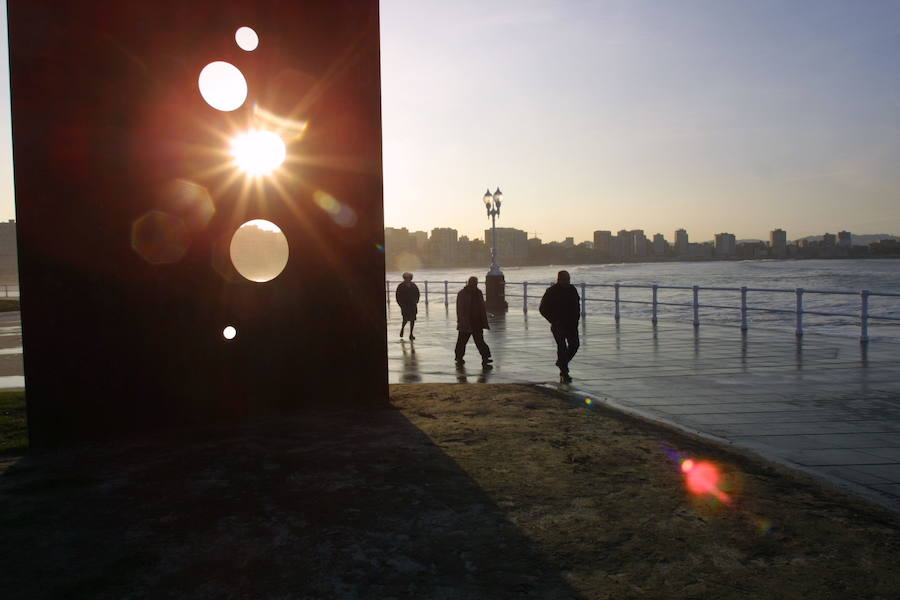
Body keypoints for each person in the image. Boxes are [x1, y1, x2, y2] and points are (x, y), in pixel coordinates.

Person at [539, 270, 581, 383]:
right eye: (565, 280)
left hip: (571, 324)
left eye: (568, 280)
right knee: (561, 347)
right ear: (559, 280)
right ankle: (564, 372)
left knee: (575, 345)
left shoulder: (572, 289)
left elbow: (577, 305)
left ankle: (562, 363)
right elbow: (542, 309)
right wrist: (554, 320)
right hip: (558, 324)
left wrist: (576, 319)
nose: (567, 282)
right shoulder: (551, 291)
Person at [455, 276, 493, 369]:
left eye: (476, 283)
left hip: (477, 322)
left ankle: (485, 357)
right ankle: (459, 357)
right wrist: (461, 320)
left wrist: (484, 320)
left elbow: (482, 307)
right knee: (462, 341)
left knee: (479, 341)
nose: (475, 285)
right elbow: (460, 309)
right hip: (466, 321)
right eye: (474, 283)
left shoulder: (478, 293)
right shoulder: (462, 294)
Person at [395, 272, 420, 340]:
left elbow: (417, 293)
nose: (408, 279)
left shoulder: (413, 285)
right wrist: (400, 304)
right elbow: (398, 296)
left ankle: (411, 334)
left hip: (412, 305)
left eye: (409, 277)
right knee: (405, 319)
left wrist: (416, 301)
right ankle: (402, 328)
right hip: (405, 305)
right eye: (407, 278)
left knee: (412, 320)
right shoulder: (401, 286)